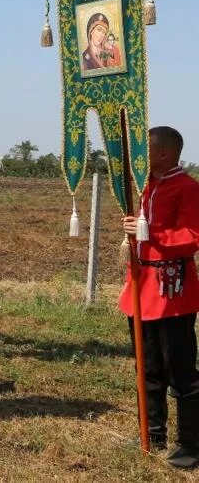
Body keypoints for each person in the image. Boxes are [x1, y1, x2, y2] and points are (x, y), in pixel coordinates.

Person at [120, 126, 199, 468]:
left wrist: (150, 233)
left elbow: (192, 236)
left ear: (164, 153)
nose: (140, 157)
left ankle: (191, 443)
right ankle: (152, 432)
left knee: (180, 372)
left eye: (145, 151)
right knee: (148, 366)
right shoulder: (144, 186)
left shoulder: (188, 188)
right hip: (141, 285)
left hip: (172, 290)